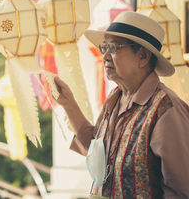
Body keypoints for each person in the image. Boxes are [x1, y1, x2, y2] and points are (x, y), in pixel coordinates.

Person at [53, 11, 189, 198]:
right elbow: (97, 151)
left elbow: (182, 189)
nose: (106, 56)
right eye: (104, 48)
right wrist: (68, 104)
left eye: (114, 48)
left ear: (142, 56)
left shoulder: (166, 109)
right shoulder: (116, 98)